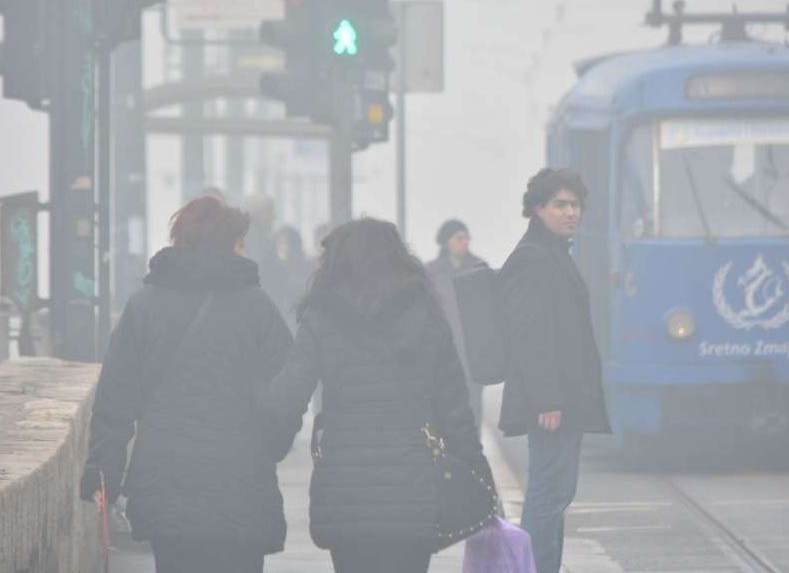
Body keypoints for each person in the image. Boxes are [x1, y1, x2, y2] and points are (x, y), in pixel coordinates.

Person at [254, 218, 492, 573]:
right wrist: (477, 470)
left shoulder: (320, 316)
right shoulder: (425, 312)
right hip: (412, 489)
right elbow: (454, 406)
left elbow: (286, 397)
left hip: (346, 491)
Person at [80, 195, 298, 573]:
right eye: (240, 242)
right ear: (225, 244)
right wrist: (271, 445)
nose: (245, 251)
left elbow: (115, 399)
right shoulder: (258, 307)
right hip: (240, 484)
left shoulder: (144, 305)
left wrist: (104, 473)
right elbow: (289, 390)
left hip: (167, 483)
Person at [499, 168, 610, 573]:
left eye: (575, 205)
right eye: (560, 205)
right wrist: (547, 397)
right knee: (548, 493)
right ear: (538, 209)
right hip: (551, 402)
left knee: (557, 493)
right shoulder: (533, 259)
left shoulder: (552, 254)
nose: (571, 213)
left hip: (563, 397)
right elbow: (531, 335)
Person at [426, 219, 486, 429]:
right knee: (443, 403)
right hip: (442, 349)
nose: (465, 243)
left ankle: (472, 452)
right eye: (459, 238)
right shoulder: (430, 272)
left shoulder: (479, 268)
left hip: (473, 351)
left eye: (467, 238)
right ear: (446, 242)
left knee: (472, 405)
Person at [274, 225, 316, 321]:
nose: (282, 248)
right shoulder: (275, 272)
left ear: (295, 245)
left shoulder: (309, 267)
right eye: (279, 244)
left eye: (285, 243)